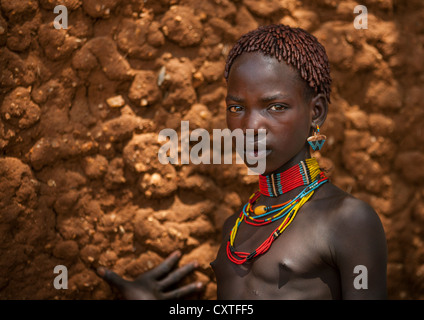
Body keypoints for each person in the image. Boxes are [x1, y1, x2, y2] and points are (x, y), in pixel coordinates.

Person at [100, 24, 388, 300]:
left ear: (316, 112)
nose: (250, 126)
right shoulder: (235, 226)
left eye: (275, 107)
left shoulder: (348, 220)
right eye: (236, 107)